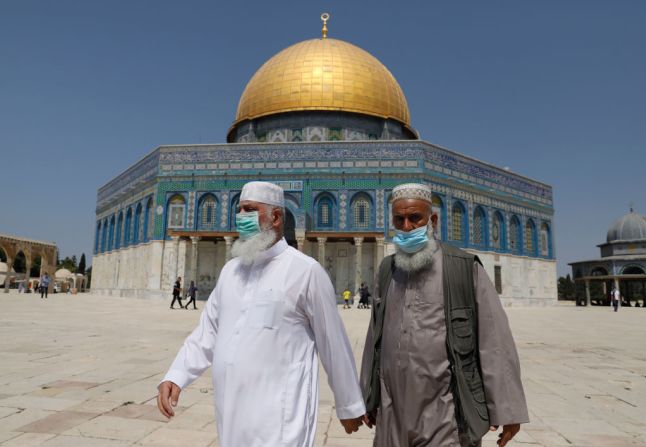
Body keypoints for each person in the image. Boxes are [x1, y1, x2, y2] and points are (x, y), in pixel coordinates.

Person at [157, 181, 365, 446]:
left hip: (280, 419)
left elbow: (333, 343)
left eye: (249, 210)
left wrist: (348, 405)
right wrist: (177, 374)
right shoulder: (231, 271)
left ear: (276, 217)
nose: (241, 218)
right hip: (231, 412)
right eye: (239, 210)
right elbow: (207, 332)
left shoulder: (305, 271)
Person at [360, 183, 529, 447]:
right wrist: (368, 397)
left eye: (415, 218)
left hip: (446, 414)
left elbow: (494, 340)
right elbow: (375, 339)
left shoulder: (462, 268)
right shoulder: (388, 270)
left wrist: (508, 409)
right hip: (391, 412)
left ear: (433, 220)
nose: (406, 226)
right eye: (399, 219)